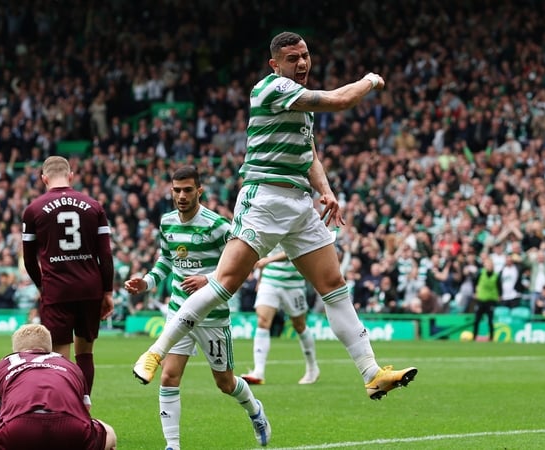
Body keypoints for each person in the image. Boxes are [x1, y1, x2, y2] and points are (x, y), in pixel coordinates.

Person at [134, 31, 417, 402]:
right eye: (292, 58)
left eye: (305, 56)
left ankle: (372, 372)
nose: (301, 63)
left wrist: (326, 191)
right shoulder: (271, 88)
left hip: (299, 204)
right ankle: (156, 350)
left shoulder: (299, 104)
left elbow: (308, 154)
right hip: (264, 197)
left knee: (334, 285)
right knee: (225, 283)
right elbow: (339, 100)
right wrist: (369, 80)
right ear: (275, 65)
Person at [124, 166, 271, 449]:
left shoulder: (218, 226)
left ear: (199, 191)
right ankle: (172, 445)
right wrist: (146, 283)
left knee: (225, 384)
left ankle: (255, 411)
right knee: (168, 375)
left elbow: (240, 264)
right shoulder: (167, 222)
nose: (181, 195)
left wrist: (209, 279)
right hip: (179, 310)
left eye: (188, 190)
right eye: (177, 190)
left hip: (212, 315)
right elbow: (166, 261)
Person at [22, 155, 114, 395]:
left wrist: (43, 287)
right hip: (90, 288)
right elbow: (105, 254)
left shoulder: (33, 210)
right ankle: (84, 407)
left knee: (59, 355)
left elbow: (29, 260)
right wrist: (108, 291)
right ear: (70, 176)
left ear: (44, 178)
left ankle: (65, 410)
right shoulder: (94, 206)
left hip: (57, 290)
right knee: (85, 352)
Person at [0, 323, 117, 450]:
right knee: (109, 435)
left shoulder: (2, 365)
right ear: (49, 347)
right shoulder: (71, 366)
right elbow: (85, 412)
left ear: (16, 350)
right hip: (71, 430)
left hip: (18, 430)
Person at [241, 244, 320, 385]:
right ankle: (258, 372)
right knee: (263, 321)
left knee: (299, 325)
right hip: (270, 279)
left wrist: (268, 260)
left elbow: (293, 249)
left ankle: (312, 368)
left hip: (293, 282)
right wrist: (260, 279)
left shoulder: (295, 223)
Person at [471, 256, 501, 341]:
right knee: (477, 320)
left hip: (491, 300)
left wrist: (499, 296)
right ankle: (474, 336)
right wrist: (475, 292)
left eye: (490, 265)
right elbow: (474, 282)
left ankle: (491, 337)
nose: (489, 266)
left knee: (490, 320)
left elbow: (499, 287)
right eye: (487, 264)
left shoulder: (496, 275)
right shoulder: (480, 273)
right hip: (481, 299)